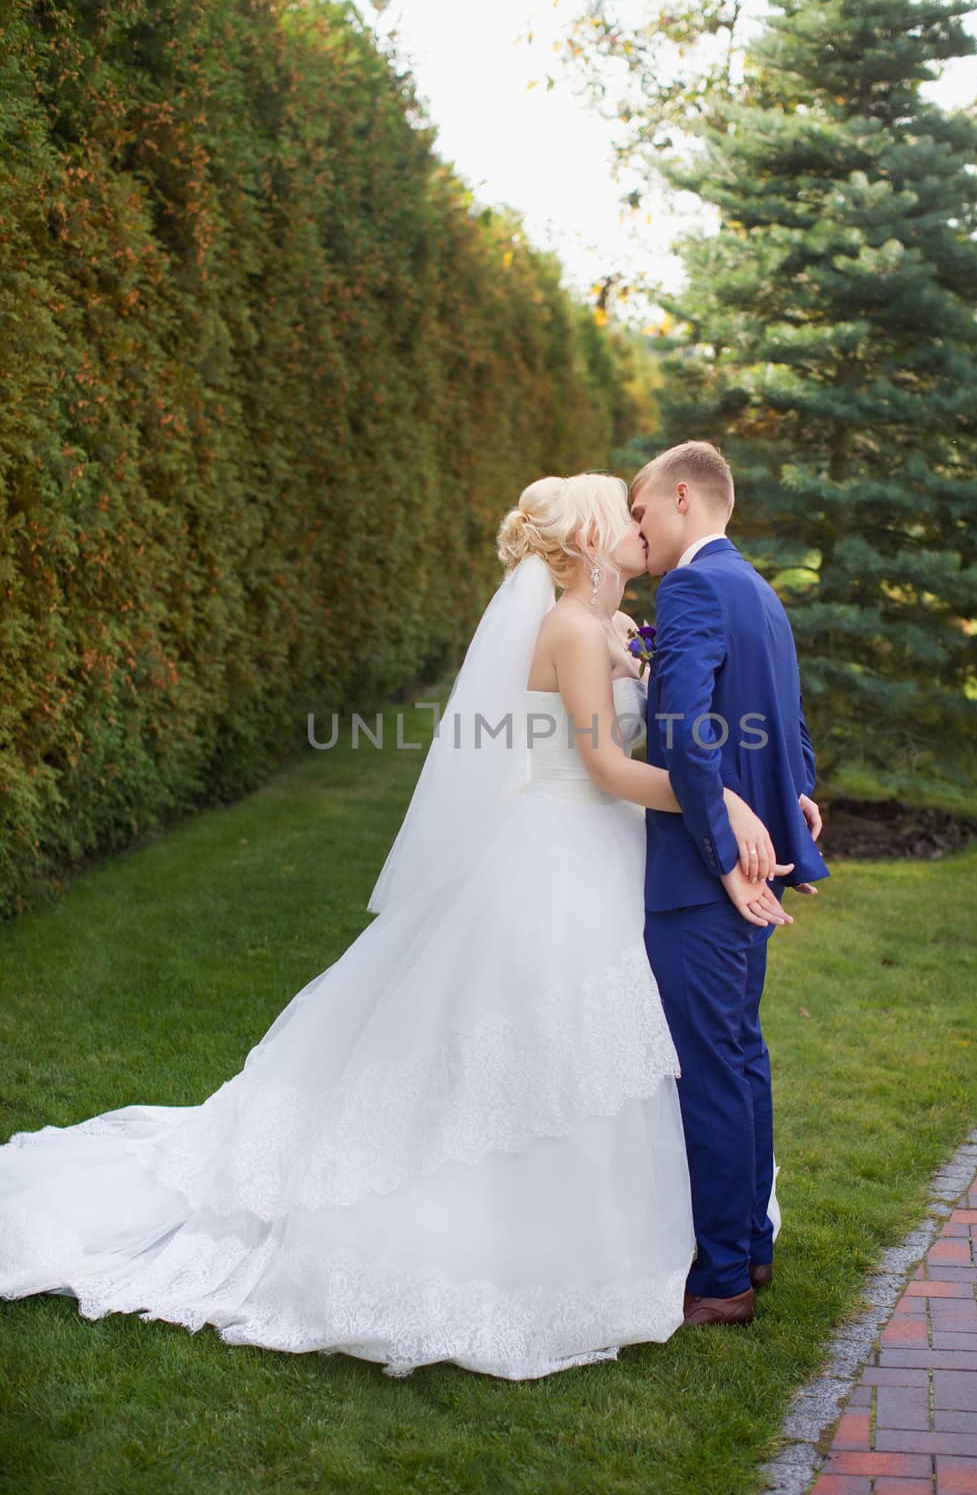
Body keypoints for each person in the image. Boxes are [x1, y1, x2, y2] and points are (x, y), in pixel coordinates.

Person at [0, 472, 785, 1380]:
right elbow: (606, 768)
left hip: (603, 854)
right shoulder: (570, 628)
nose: (636, 521)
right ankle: (519, 1229)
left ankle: (656, 1228)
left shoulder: (607, 629)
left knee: (600, 1041)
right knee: (546, 1031)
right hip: (561, 846)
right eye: (621, 512)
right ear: (583, 543)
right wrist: (717, 803)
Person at [627, 441, 829, 1329]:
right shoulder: (757, 587)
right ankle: (750, 1247)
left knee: (710, 1071)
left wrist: (723, 853)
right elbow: (784, 724)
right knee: (739, 1061)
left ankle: (718, 1282)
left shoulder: (693, 587)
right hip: (744, 867)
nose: (637, 528)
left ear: (682, 496)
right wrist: (792, 799)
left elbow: (681, 728)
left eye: (641, 511)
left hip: (705, 879)